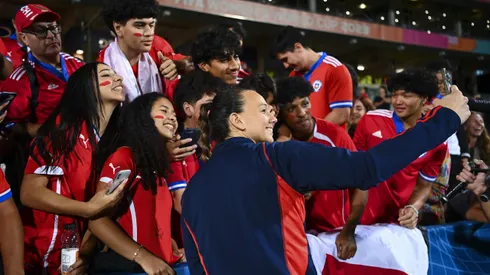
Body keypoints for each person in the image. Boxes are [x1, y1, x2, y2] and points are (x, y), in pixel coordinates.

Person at [181, 83, 468, 274]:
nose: (272, 117)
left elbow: (198, 266)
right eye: (263, 110)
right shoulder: (275, 157)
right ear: (237, 121)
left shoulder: (193, 191)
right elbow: (367, 168)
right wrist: (446, 118)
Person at [20, 63, 127, 275]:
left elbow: (101, 210)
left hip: (70, 258)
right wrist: (87, 209)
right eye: (107, 75)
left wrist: (84, 256)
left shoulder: (111, 142)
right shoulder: (64, 130)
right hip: (38, 255)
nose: (119, 79)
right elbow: (30, 193)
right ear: (86, 88)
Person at [275, 77, 367, 260]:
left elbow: (362, 184)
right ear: (282, 114)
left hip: (335, 235)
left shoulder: (335, 136)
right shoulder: (278, 143)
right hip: (296, 239)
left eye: (305, 104)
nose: (302, 113)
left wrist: (349, 231)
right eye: (291, 109)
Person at [90, 93, 182, 275]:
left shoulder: (157, 165)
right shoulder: (125, 157)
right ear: (143, 119)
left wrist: (170, 249)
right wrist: (143, 256)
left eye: (173, 113)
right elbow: (97, 219)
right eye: (164, 111)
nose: (172, 117)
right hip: (132, 269)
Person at [353, 70, 448, 228]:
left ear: (424, 98)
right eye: (395, 95)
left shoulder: (437, 141)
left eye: (407, 95)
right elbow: (353, 170)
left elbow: (424, 186)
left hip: (397, 225)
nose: (398, 101)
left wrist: (413, 208)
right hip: (359, 220)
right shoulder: (371, 120)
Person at [271, 26, 352, 127]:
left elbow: (341, 114)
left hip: (329, 141)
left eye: (285, 59)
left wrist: (313, 135)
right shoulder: (293, 76)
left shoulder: (334, 68)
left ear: (298, 47)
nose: (286, 65)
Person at [99, 0, 179, 102]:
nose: (149, 33)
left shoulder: (159, 46)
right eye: (140, 25)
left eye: (151, 25)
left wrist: (180, 65)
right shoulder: (103, 64)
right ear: (118, 28)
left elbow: (192, 63)